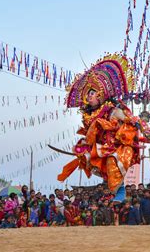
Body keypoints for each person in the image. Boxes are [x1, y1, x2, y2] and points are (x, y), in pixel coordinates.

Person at [57, 54, 142, 202]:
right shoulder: (89, 116)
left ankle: (116, 193)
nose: (88, 97)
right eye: (87, 94)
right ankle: (114, 192)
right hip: (99, 148)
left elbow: (134, 121)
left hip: (118, 147)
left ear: (101, 94)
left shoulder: (112, 110)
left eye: (92, 93)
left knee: (112, 163)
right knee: (86, 157)